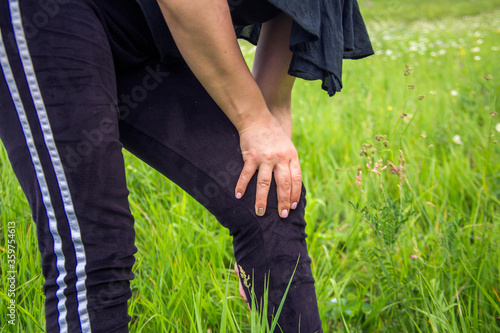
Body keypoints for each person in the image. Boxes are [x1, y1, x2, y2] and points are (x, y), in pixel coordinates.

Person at [0, 0, 373, 332]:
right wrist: (251, 120)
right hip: (53, 20)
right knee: (95, 245)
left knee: (272, 190)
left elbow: (286, 46)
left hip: (154, 43)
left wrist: (266, 262)